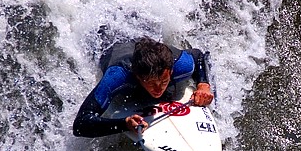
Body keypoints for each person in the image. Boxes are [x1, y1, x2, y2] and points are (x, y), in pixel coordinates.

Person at [73, 37, 214, 138]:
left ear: (171, 72)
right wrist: (124, 124)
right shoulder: (117, 76)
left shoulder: (182, 66)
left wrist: (203, 85)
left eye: (164, 81)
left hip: (140, 40)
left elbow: (198, 55)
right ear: (138, 76)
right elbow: (80, 124)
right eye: (152, 83)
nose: (159, 89)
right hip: (107, 40)